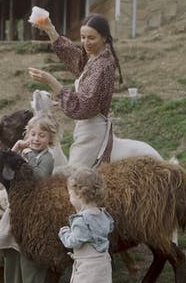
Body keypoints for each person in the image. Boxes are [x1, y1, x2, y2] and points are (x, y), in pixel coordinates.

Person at [28, 11, 123, 168]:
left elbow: (83, 107)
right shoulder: (94, 58)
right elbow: (75, 59)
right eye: (83, 37)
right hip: (86, 127)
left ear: (104, 38)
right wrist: (50, 29)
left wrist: (52, 82)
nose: (86, 42)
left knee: (74, 178)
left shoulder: (103, 65)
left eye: (91, 38)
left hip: (92, 130)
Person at [0, 114, 58, 283]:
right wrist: (15, 151)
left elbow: (36, 178)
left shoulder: (47, 158)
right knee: (12, 261)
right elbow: (4, 168)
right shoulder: (24, 153)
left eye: (42, 134)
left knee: (29, 264)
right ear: (26, 135)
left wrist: (18, 159)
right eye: (33, 134)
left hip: (33, 214)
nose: (37, 138)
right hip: (15, 213)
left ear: (50, 138)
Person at [58, 165, 115, 283]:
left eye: (71, 194)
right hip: (102, 264)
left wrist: (64, 232)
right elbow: (108, 230)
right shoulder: (103, 214)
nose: (70, 198)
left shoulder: (81, 220)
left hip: (88, 267)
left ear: (80, 194)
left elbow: (73, 241)